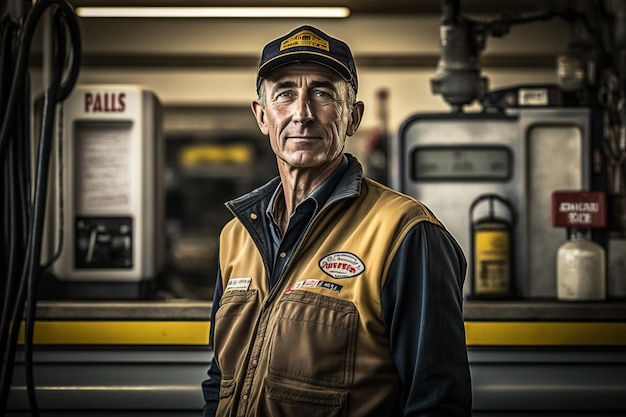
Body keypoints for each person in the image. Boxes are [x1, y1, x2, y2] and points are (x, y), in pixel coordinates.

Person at [201, 25, 472, 417]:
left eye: (323, 93)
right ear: (262, 116)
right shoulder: (237, 235)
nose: (302, 114)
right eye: (284, 94)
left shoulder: (406, 233)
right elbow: (220, 379)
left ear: (353, 117)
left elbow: (438, 402)